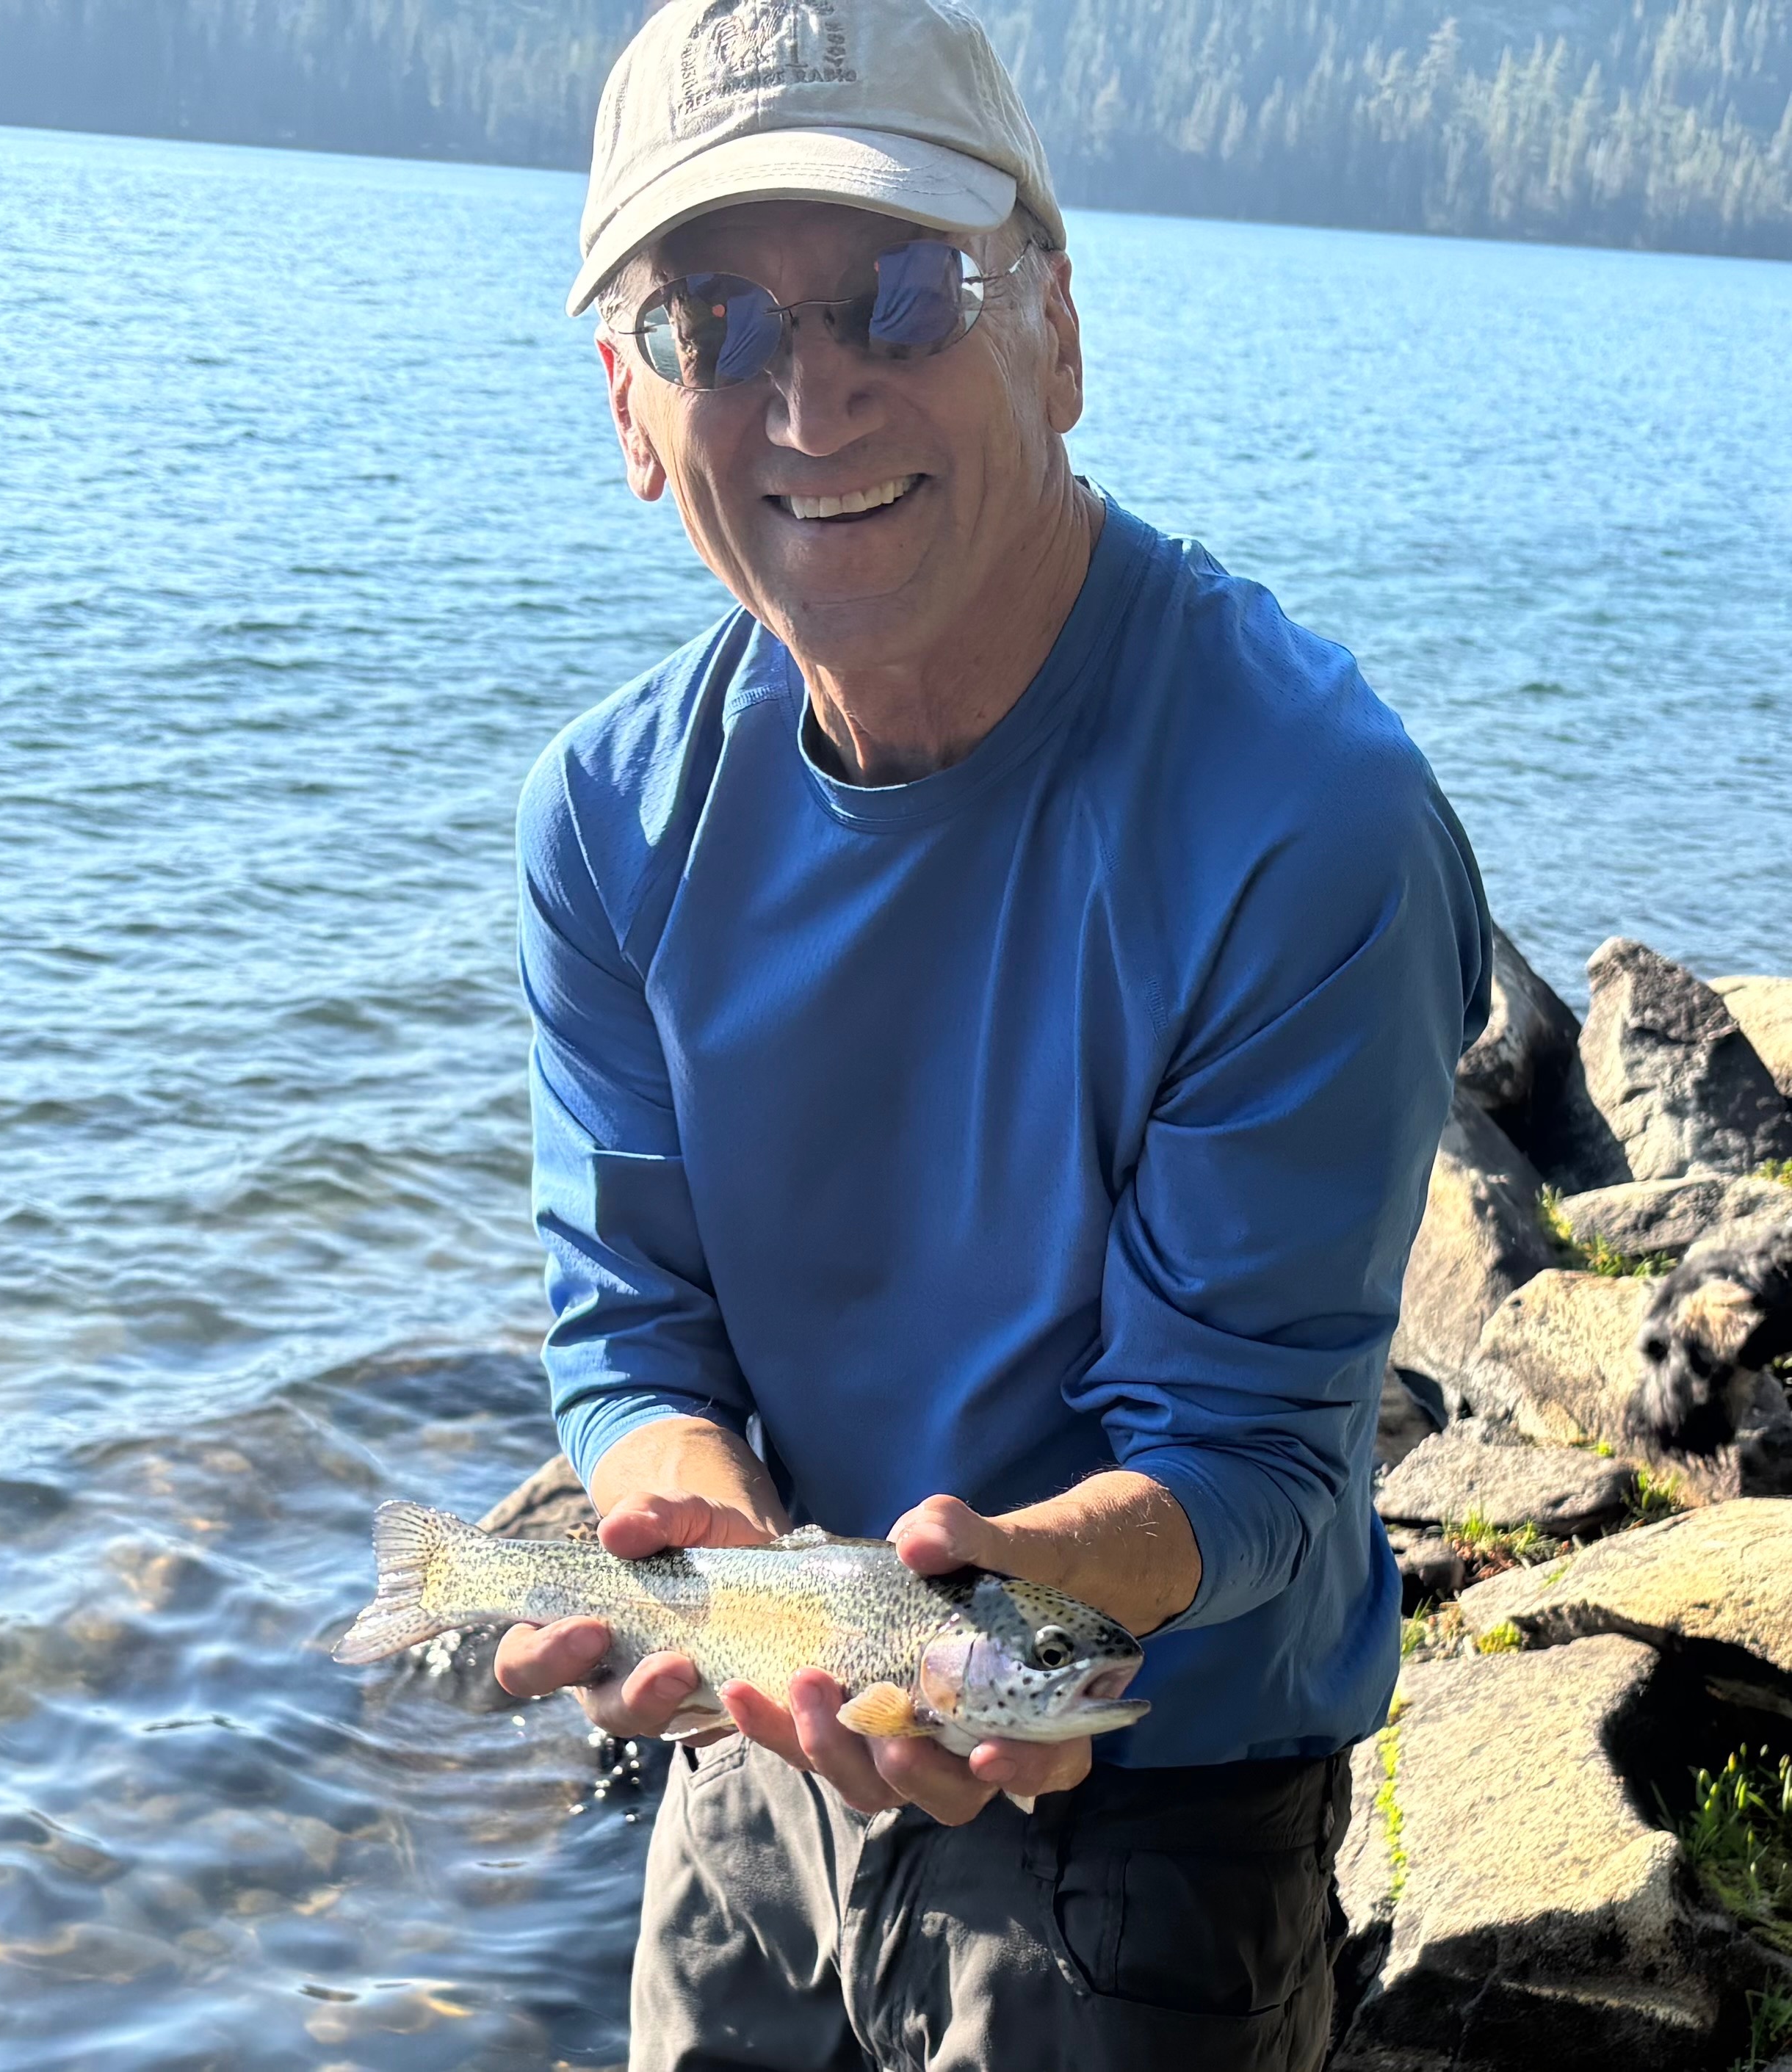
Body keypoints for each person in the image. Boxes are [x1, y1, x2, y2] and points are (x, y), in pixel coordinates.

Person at [492, 2, 1493, 2066]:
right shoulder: (602, 820)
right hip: (756, 1759)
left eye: (901, 292)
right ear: (630, 408)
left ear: (1056, 328)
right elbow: (633, 1324)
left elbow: (1252, 1454)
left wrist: (1002, 1613)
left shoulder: (1306, 823)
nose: (812, 396)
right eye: (712, 326)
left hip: (1153, 1801)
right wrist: (685, 1520)